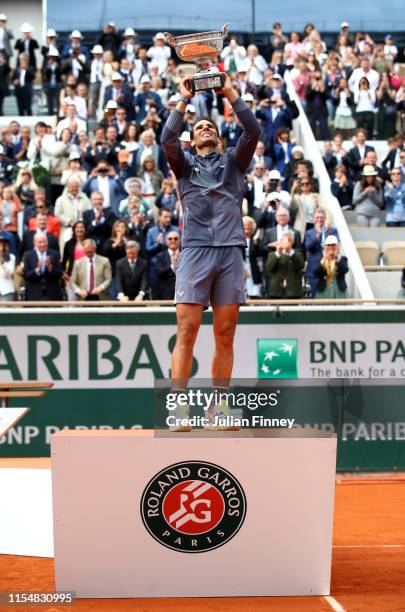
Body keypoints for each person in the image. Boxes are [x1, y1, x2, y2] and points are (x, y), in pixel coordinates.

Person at [161, 74, 261, 430]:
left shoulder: (234, 161)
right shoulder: (184, 166)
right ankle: (179, 409)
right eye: (199, 127)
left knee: (226, 332)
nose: (204, 128)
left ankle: (218, 409)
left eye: (210, 126)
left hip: (230, 252)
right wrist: (183, 100)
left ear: (218, 137)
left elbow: (253, 132)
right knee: (187, 331)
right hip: (195, 252)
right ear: (193, 139)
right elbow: (167, 139)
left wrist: (231, 93)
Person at [304, 208, 338, 297]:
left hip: (330, 269)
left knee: (330, 296)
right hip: (314, 269)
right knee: (316, 296)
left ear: (325, 218)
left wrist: (325, 232)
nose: (319, 219)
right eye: (317, 217)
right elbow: (308, 248)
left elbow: (335, 245)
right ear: (313, 219)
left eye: (321, 217)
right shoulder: (309, 233)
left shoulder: (332, 231)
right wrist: (318, 235)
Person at [265, 230, 305, 299]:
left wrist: (290, 252)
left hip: (293, 292)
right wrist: (278, 253)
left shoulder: (298, 254)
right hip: (276, 292)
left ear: (292, 242)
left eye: (288, 241)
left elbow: (301, 266)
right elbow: (268, 268)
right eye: (282, 240)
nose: (285, 243)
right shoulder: (272, 254)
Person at [23, 234, 63, 301]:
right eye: (40, 242)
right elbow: (26, 275)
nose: (43, 244)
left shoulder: (54, 254)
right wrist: (37, 270)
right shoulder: (28, 255)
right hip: (34, 295)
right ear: (35, 243)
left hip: (52, 295)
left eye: (44, 242)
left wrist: (51, 268)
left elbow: (60, 273)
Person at [155, 231, 181, 300]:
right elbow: (159, 272)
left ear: (180, 240)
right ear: (166, 241)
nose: (173, 241)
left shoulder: (185, 255)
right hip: (165, 293)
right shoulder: (160, 256)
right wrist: (173, 266)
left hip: (183, 292)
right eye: (170, 239)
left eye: (175, 238)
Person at [242, 216, 263, 298]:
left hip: (253, 266)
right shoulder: (237, 239)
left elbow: (260, 253)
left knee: (254, 289)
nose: (247, 227)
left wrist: (256, 242)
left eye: (249, 225)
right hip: (240, 267)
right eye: (245, 225)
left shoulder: (256, 239)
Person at [0, 233, 15, 301]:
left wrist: (2, 262)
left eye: (1, 243)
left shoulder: (10, 257)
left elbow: (8, 274)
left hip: (6, 291)